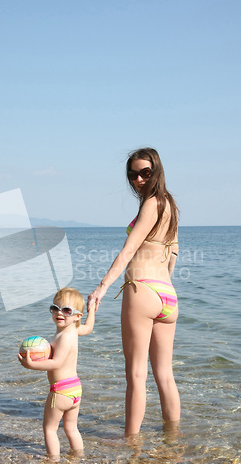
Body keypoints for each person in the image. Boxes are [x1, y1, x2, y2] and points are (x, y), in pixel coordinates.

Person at [87, 147, 180, 435]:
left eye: (145, 172)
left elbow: (128, 251)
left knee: (136, 375)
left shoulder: (151, 204)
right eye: (133, 174)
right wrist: (163, 286)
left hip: (142, 290)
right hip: (168, 296)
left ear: (157, 170)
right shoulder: (170, 205)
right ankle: (172, 441)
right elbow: (173, 253)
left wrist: (101, 288)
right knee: (165, 375)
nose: (139, 179)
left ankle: (131, 445)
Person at [18, 287, 95, 458]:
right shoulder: (74, 330)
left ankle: (52, 463)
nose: (59, 313)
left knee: (49, 429)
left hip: (60, 391)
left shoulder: (64, 337)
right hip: (75, 388)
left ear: (76, 316)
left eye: (67, 310)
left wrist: (30, 365)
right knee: (71, 428)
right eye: (55, 308)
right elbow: (88, 328)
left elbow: (56, 363)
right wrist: (92, 310)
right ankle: (78, 458)